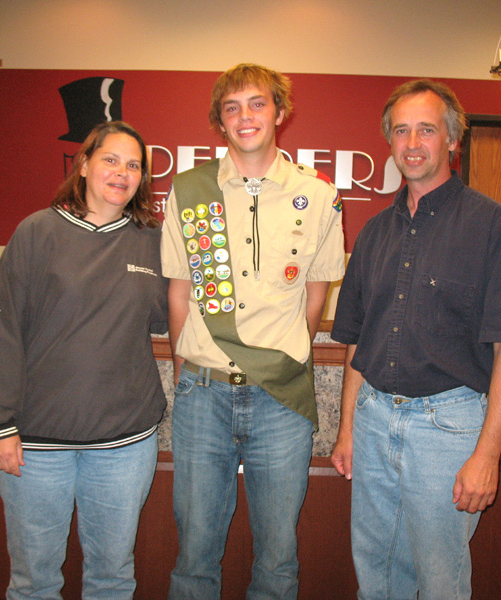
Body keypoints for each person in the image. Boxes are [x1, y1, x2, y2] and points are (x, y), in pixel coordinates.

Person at [330, 79, 501, 599]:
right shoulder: (374, 233)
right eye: (401, 131)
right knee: (375, 573)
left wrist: (488, 454)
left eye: (426, 129)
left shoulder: (494, 227)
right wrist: (348, 429)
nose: (413, 143)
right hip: (373, 421)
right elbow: (356, 344)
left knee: (441, 581)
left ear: (452, 140)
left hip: (447, 428)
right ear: (390, 142)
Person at [160, 63, 345, 599]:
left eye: (258, 103)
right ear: (220, 121)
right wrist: (186, 369)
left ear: (279, 112)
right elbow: (178, 293)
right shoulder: (189, 190)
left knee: (278, 555)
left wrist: (283, 358)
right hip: (203, 394)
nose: (246, 116)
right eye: (232, 107)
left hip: (280, 399)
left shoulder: (318, 194)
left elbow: (316, 294)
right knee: (194, 553)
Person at [0, 121, 168, 599]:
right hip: (36, 444)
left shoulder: (153, 241)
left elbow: (168, 318)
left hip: (124, 443)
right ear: (83, 164)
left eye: (133, 165)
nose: (122, 172)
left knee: (112, 577)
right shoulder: (37, 232)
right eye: (110, 160)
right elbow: (3, 329)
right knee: (33, 582)